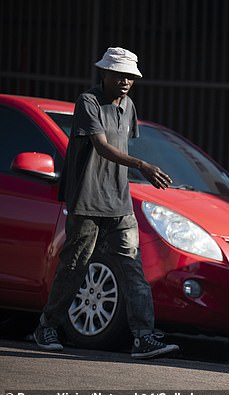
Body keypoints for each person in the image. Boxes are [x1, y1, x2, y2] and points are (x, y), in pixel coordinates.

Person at [33, 47, 179, 359]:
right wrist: (143, 166)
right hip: (87, 199)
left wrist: (136, 171)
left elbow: (121, 147)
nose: (126, 81)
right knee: (75, 265)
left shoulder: (128, 105)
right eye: (120, 74)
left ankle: (143, 336)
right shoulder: (88, 102)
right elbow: (101, 146)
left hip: (120, 201)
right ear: (105, 73)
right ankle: (47, 325)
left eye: (131, 76)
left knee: (133, 269)